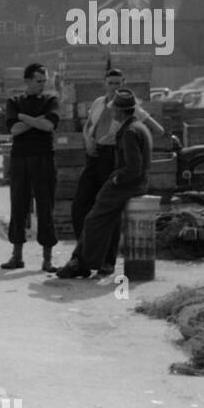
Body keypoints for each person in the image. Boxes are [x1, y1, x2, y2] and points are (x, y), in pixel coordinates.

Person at [66, 69, 165, 268]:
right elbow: (88, 126)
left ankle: (107, 261)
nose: (114, 87)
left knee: (109, 210)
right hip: (93, 155)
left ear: (124, 84)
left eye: (118, 84)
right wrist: (88, 141)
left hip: (113, 157)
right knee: (80, 206)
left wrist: (134, 146)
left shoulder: (130, 109)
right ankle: (84, 253)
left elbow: (158, 130)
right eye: (111, 83)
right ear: (104, 83)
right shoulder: (98, 103)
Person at [56, 89, 151, 278]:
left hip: (127, 185)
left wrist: (115, 179)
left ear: (120, 111)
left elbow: (134, 168)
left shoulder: (129, 132)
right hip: (136, 183)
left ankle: (81, 263)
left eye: (114, 109)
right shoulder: (138, 127)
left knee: (93, 220)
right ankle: (87, 261)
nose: (112, 112)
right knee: (100, 220)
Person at [1, 63, 60, 271]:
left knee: (46, 207)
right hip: (20, 159)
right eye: (38, 81)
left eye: (44, 81)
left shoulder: (50, 101)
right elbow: (14, 130)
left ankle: (47, 259)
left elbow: (49, 125)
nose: (42, 85)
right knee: (18, 206)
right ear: (27, 80)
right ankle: (16, 256)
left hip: (44, 158)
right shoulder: (14, 102)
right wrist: (35, 120)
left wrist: (24, 118)